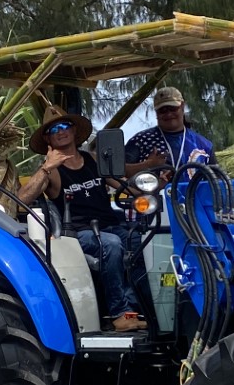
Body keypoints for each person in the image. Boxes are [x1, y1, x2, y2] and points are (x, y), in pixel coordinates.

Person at [19, 111, 144, 332]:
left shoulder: (93, 160)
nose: (61, 132)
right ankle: (118, 314)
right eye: (54, 130)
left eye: (65, 125)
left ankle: (139, 309)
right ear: (48, 139)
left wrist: (152, 192)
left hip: (110, 225)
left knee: (144, 241)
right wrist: (47, 167)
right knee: (112, 245)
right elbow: (21, 200)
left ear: (74, 130)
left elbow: (123, 185)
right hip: (78, 233)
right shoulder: (52, 171)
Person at [126, 87, 215, 180]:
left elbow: (217, 181)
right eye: (162, 110)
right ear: (156, 112)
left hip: (195, 194)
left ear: (182, 106)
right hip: (153, 194)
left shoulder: (204, 145)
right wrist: (147, 165)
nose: (168, 114)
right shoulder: (140, 140)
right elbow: (117, 172)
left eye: (173, 108)